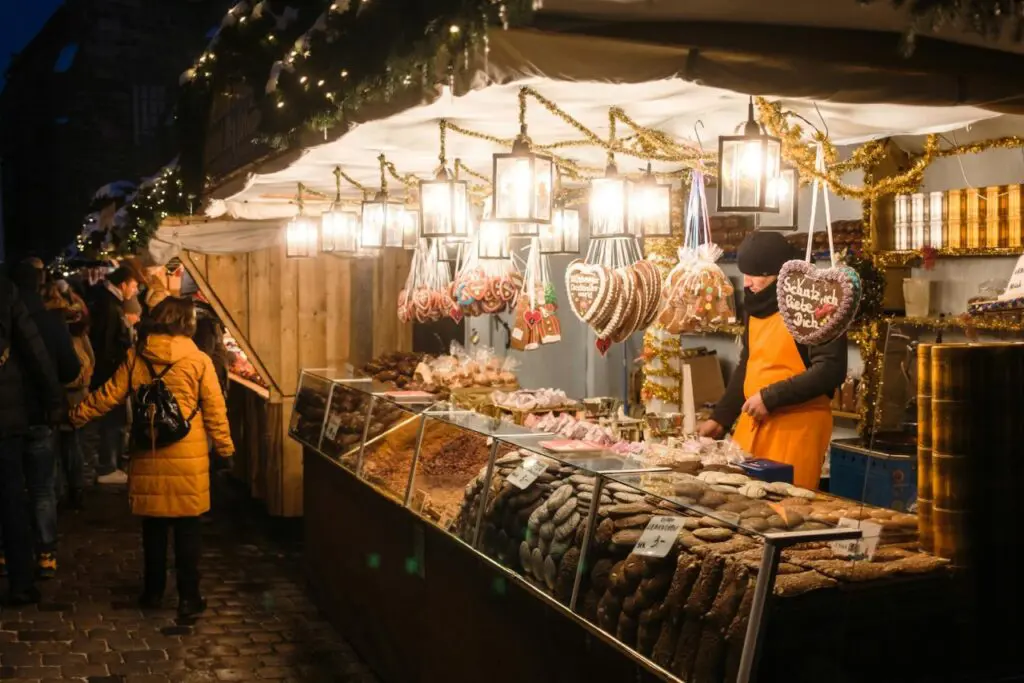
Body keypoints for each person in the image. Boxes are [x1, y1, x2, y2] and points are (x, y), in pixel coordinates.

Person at [71, 297, 234, 617]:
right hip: (188, 456)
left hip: (150, 450)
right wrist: (225, 449)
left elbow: (108, 396)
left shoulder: (137, 356)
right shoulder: (199, 360)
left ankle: (153, 592)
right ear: (187, 324)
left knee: (154, 528)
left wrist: (77, 414)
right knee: (188, 529)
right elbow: (216, 411)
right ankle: (189, 597)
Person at [698, 231, 847, 489]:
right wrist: (721, 417)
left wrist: (771, 397)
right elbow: (749, 362)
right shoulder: (755, 307)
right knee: (739, 504)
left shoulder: (815, 306)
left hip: (797, 427)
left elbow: (830, 370)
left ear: (780, 274)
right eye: (744, 273)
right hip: (753, 423)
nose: (747, 283)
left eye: (756, 275)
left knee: (785, 507)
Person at [7, 263, 80, 579]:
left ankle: (7, 550)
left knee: (10, 487)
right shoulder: (50, 321)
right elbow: (69, 370)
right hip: (38, 415)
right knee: (41, 488)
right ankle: (46, 551)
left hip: (7, 418)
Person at [0, 273, 63, 604]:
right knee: (12, 500)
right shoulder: (6, 290)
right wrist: (53, 401)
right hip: (5, 416)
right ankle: (22, 582)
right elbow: (35, 351)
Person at [88, 266, 139, 484]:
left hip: (108, 371)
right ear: (123, 284)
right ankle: (107, 467)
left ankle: (110, 464)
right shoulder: (110, 306)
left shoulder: (110, 303)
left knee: (115, 419)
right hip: (110, 373)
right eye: (134, 286)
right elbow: (106, 344)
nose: (135, 291)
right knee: (112, 419)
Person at [50, 285, 94, 509]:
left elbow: (85, 367)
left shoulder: (77, 336)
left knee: (68, 446)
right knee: (66, 446)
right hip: (69, 398)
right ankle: (69, 490)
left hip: (72, 398)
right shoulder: (73, 337)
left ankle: (70, 490)